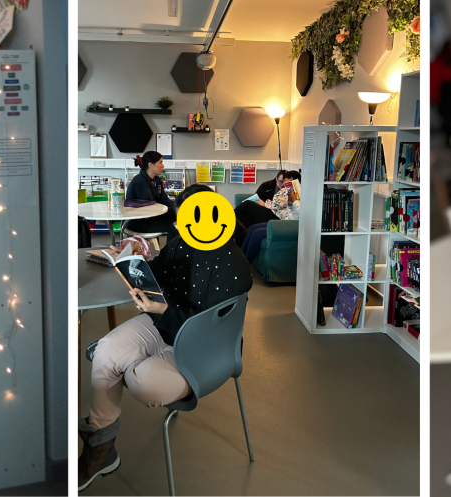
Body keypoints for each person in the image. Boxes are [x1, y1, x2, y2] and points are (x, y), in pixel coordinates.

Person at [78, 183, 253, 492]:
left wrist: (161, 308)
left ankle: (127, 368)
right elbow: (158, 271)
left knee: (139, 381)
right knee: (106, 353)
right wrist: (131, 260)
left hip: (204, 347)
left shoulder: (233, 265)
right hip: (164, 322)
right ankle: (101, 452)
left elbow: (209, 330)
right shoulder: (181, 241)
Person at [241, 178, 300, 263]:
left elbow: (302, 215)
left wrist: (294, 201)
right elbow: (292, 216)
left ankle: (244, 264)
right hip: (286, 222)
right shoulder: (287, 194)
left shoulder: (301, 198)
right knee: (253, 228)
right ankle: (240, 260)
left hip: (291, 225)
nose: (284, 185)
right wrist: (291, 204)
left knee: (257, 233)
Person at [234, 171, 300, 245]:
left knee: (247, 204)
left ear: (291, 179)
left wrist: (265, 204)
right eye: (281, 181)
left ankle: (225, 217)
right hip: (271, 210)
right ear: (276, 179)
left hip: (276, 215)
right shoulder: (267, 186)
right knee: (241, 218)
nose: (283, 184)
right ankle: (238, 250)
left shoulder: (292, 191)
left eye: (284, 181)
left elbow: (279, 205)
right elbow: (258, 197)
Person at [124, 152, 177, 235]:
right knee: (171, 229)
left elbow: (164, 199)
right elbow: (151, 207)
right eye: (160, 163)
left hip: (151, 218)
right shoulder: (140, 181)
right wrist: (173, 210)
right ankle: (171, 248)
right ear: (150, 165)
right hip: (138, 223)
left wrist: (178, 206)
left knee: (178, 217)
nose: (163, 166)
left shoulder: (157, 180)